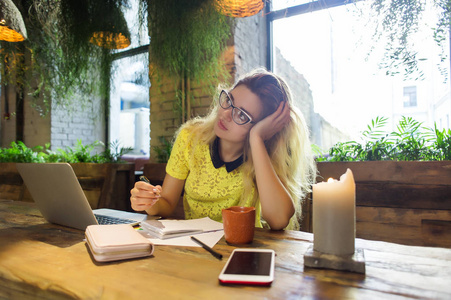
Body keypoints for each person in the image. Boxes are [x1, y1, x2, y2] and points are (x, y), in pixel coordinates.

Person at [130, 69, 316, 230]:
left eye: (242, 115)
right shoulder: (190, 137)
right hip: (195, 248)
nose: (226, 113)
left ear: (266, 128)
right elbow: (167, 203)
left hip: (244, 251)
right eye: (229, 100)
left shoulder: (264, 155)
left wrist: (256, 139)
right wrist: (150, 202)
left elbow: (278, 220)